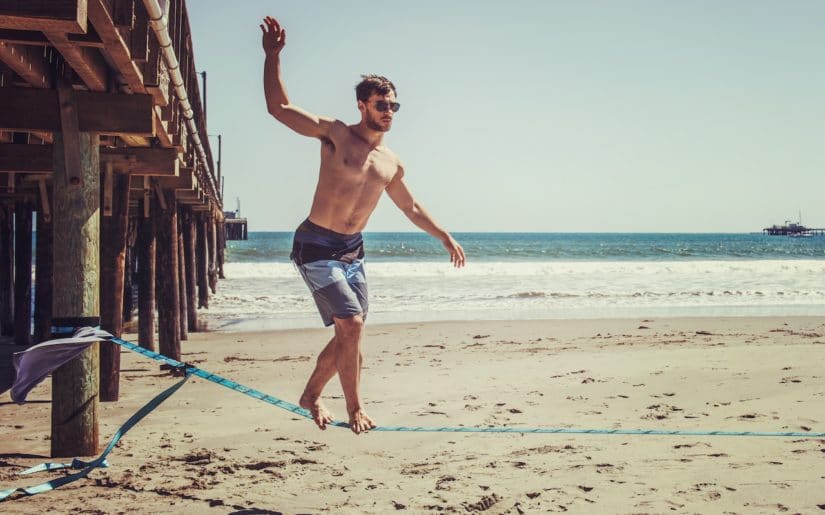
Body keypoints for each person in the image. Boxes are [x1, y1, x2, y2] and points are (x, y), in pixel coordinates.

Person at [260, 16, 466, 434]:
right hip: (316, 244)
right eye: (381, 104)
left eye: (393, 105)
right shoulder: (335, 135)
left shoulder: (391, 162)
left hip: (352, 250)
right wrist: (272, 57)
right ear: (362, 105)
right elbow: (279, 109)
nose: (389, 111)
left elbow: (410, 207)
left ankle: (310, 396)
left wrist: (443, 235)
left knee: (349, 334)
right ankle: (356, 409)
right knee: (351, 326)